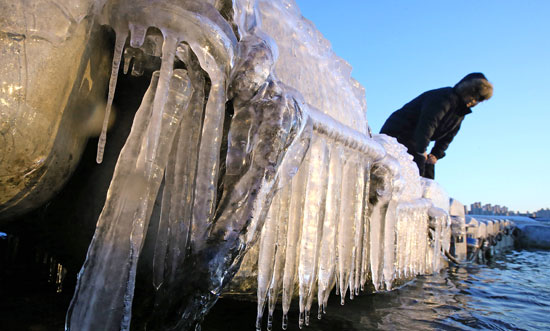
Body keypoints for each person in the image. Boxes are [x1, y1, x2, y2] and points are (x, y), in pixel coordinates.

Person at [380, 73, 493, 179]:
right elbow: (428, 123)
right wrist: (421, 149)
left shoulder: (460, 112)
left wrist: (435, 155)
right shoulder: (444, 97)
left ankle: (425, 197)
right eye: (472, 96)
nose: (473, 101)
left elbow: (448, 136)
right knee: (415, 169)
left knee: (428, 168)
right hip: (399, 132)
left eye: (478, 99)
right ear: (466, 90)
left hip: (417, 138)